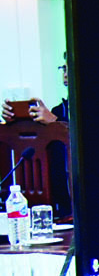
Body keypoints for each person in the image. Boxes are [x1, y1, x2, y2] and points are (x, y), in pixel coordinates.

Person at [2, 64, 73, 219]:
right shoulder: (59, 110)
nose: (65, 74)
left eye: (70, 68)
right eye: (64, 69)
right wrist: (14, 122)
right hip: (59, 207)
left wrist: (55, 122)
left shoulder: (94, 110)